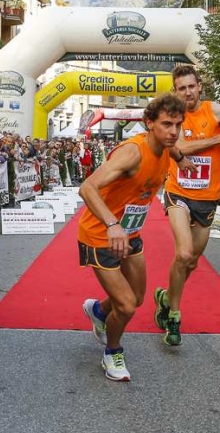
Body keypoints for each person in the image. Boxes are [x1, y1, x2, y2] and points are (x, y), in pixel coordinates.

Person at [78, 93, 185, 381]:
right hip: (100, 234)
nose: (173, 131)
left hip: (130, 232)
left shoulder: (167, 146)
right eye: (166, 124)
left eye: (178, 124)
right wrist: (112, 224)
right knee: (125, 305)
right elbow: (87, 187)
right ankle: (112, 352)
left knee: (137, 297)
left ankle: (99, 311)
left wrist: (184, 158)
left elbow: (176, 151)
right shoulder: (132, 152)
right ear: (149, 123)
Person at [154, 64, 220, 347]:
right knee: (184, 252)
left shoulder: (216, 111)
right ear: (175, 91)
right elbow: (181, 148)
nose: (187, 92)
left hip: (208, 198)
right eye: (181, 88)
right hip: (179, 193)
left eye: (191, 86)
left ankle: (165, 297)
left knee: (191, 262)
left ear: (199, 86)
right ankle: (174, 315)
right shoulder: (174, 114)